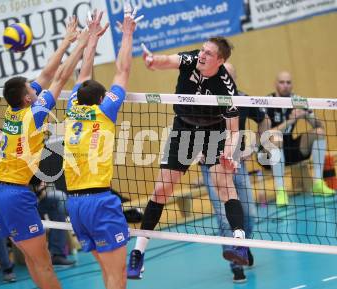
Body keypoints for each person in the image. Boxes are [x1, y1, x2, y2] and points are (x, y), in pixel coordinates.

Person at [128, 37, 250, 279]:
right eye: (202, 50)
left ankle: (240, 242)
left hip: (214, 131)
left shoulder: (226, 87)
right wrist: (153, 60)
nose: (202, 55)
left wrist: (228, 152)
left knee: (223, 184)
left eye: (209, 53)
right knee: (162, 189)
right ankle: (138, 254)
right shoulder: (193, 59)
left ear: (220, 60)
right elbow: (167, 61)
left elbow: (234, 131)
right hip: (183, 129)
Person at [0, 16, 91, 289]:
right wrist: (81, 43)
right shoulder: (33, 114)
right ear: (27, 98)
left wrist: (66, 42)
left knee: (35, 259)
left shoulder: (13, 109)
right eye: (31, 90)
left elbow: (46, 75)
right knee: (43, 261)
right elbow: (58, 77)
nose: (37, 90)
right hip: (14, 194)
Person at [63, 8, 136, 289]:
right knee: (116, 276)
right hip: (100, 204)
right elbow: (123, 69)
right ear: (103, 97)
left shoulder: (72, 107)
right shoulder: (105, 110)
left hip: (76, 205)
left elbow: (82, 75)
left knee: (108, 273)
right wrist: (126, 34)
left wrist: (91, 38)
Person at [200, 63, 267, 282]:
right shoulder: (203, 99)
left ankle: (242, 246)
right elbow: (187, 126)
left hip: (237, 164)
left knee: (249, 215)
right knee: (224, 218)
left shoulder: (243, 98)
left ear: (233, 78)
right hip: (212, 166)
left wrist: (257, 145)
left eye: (227, 74)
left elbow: (264, 119)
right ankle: (236, 263)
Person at [263, 71, 335, 206]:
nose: (285, 86)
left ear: (292, 85)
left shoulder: (298, 100)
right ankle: (281, 191)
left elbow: (320, 126)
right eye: (282, 82)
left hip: (290, 148)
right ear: (275, 84)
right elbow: (266, 134)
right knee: (275, 139)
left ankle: (318, 183)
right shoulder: (268, 102)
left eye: (288, 82)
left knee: (319, 132)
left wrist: (306, 115)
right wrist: (290, 121)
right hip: (268, 152)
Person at [33, 180, 76, 267]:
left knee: (60, 197)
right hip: (24, 200)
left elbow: (41, 180)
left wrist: (40, 187)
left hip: (40, 197)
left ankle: (57, 254)